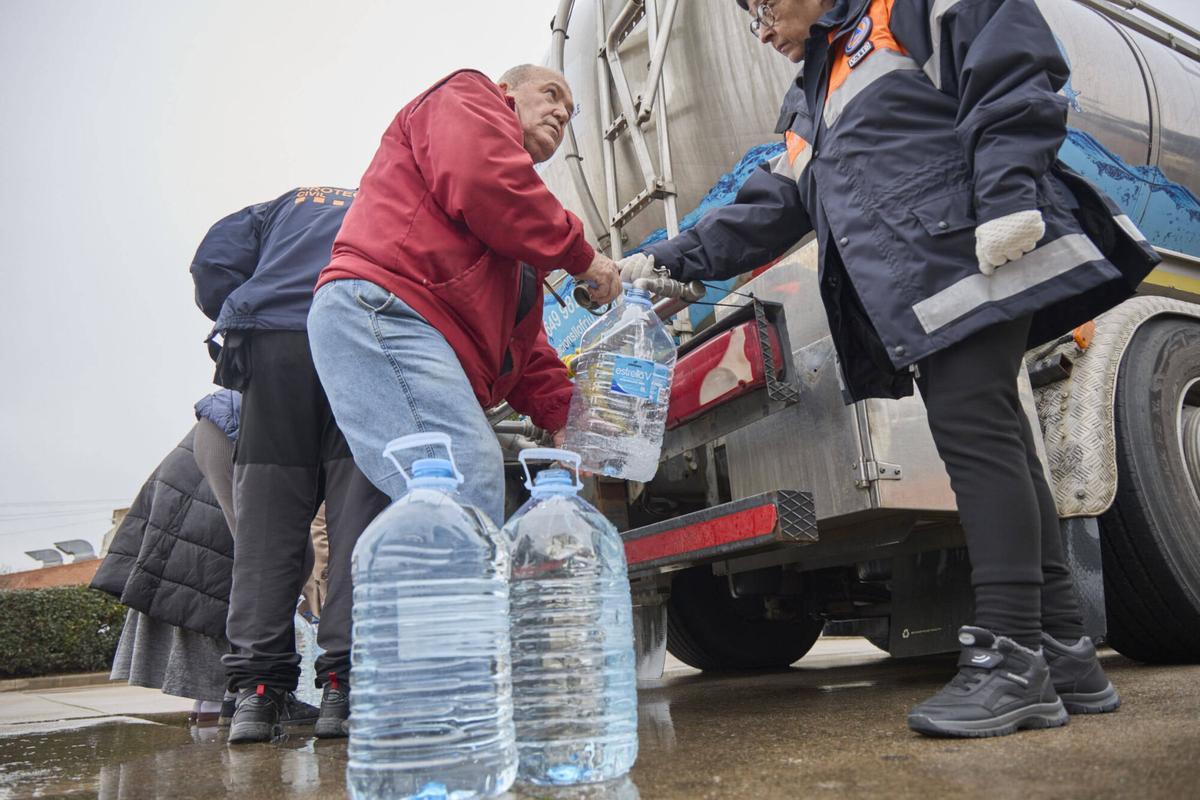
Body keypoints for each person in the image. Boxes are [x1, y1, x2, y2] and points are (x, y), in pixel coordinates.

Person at [625, 0, 1159, 737]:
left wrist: (1006, 189)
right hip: (926, 279)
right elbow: (777, 202)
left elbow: (1010, 62)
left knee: (978, 440)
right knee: (997, 440)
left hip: (967, 251)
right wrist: (669, 257)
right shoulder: (814, 92)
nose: (760, 28)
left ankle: (1010, 659)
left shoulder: (901, 9)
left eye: (764, 6)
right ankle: (1062, 654)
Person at [307, 65, 620, 527]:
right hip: (388, 311)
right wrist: (582, 256)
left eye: (571, 113)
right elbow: (482, 178)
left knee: (442, 498)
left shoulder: (511, 239)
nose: (561, 112)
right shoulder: (467, 94)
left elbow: (519, 344)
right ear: (506, 91)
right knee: (464, 475)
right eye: (552, 94)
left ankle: (451, 597)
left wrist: (563, 415)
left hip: (407, 323)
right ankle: (464, 600)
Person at [191, 187, 390, 744]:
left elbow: (213, 259)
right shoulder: (382, 196)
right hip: (355, 336)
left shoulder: (278, 207)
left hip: (273, 345)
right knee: (357, 518)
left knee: (267, 528)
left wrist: (242, 305)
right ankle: (344, 691)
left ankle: (257, 695)